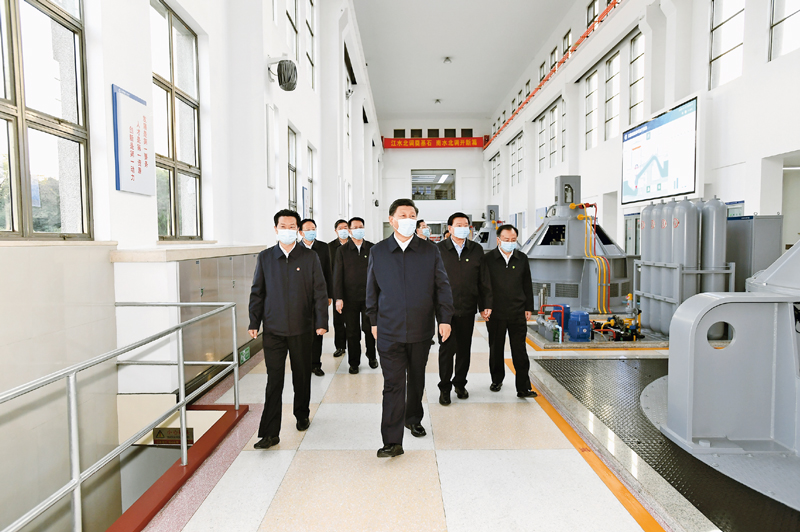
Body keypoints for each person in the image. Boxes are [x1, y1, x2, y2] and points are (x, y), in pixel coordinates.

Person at [366, 199, 454, 458]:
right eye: (402, 215)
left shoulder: (429, 251)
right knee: (393, 384)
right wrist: (373, 321)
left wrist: (445, 319)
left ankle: (413, 418)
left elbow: (442, 287)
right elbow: (371, 289)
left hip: (420, 329)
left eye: (412, 215)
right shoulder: (379, 251)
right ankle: (392, 441)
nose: (408, 219)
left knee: (416, 378)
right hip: (389, 329)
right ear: (391, 220)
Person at [248, 209, 329, 449]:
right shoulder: (265, 257)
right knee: (274, 380)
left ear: (298, 230)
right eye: (283, 226)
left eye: (292, 226)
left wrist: (321, 322)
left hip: (302, 328)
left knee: (302, 375)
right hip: (273, 329)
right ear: (276, 229)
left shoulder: (309, 257)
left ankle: (302, 414)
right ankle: (269, 432)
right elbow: (257, 292)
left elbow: (319, 291)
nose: (287, 230)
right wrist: (254, 321)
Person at [436, 212, 492, 405]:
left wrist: (485, 305)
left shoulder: (476, 249)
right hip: (445, 310)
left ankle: (460, 383)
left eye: (465, 225)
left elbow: (483, 279)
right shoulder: (439, 249)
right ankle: (444, 388)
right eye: (458, 225)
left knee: (464, 349)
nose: (463, 228)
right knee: (446, 349)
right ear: (450, 228)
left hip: (467, 308)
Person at [481, 224, 537, 398]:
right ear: (498, 240)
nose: (510, 242)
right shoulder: (488, 259)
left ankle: (523, 387)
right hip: (495, 312)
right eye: (506, 239)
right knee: (496, 348)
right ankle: (496, 380)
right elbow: (483, 285)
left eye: (513, 240)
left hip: (517, 311)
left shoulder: (522, 258)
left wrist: (529, 307)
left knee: (520, 350)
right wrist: (483, 307)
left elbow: (527, 284)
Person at [334, 217, 376, 373]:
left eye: (361, 227)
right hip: (349, 298)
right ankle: (354, 362)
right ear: (350, 231)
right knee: (352, 332)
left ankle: (372, 356)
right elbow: (337, 276)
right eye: (355, 227)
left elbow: (378, 273)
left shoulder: (372, 248)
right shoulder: (342, 251)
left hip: (369, 298)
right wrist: (338, 298)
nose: (359, 230)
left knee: (369, 329)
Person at [299, 218, 333, 377]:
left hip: (319, 295)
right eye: (308, 229)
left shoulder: (323, 247)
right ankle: (303, 364)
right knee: (302, 332)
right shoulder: (296, 249)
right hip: (300, 297)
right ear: (301, 232)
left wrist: (329, 294)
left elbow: (328, 271)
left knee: (318, 331)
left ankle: (315, 364)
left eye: (313, 228)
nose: (311, 232)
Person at [328, 220, 350, 358]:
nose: (343, 230)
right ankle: (340, 346)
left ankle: (353, 345)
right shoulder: (330, 247)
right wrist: (330, 293)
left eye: (346, 227)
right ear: (336, 231)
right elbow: (328, 269)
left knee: (352, 320)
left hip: (353, 288)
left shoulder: (354, 244)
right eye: (340, 228)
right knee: (338, 319)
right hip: (337, 288)